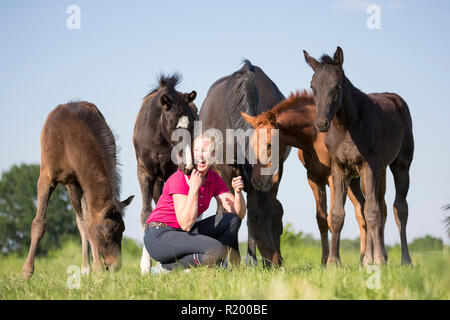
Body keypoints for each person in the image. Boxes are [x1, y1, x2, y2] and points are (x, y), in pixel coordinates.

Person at [143, 132, 246, 273]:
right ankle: (165, 269)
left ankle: (215, 264)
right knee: (215, 249)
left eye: (206, 151)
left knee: (231, 221)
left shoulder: (213, 178)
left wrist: (238, 192)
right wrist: (194, 189)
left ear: (214, 155)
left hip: (182, 234)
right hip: (158, 235)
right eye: (196, 150)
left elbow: (238, 214)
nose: (200, 155)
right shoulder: (180, 178)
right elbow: (185, 224)